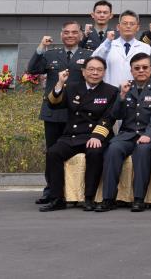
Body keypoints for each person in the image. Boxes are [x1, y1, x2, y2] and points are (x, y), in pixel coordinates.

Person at [38, 56, 119, 212]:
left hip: (95, 135)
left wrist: (97, 136)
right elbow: (54, 105)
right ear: (83, 72)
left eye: (99, 70)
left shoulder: (111, 91)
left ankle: (89, 198)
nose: (95, 73)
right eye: (91, 69)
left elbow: (109, 118)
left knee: (95, 153)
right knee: (53, 153)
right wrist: (60, 83)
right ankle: (57, 198)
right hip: (73, 135)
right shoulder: (72, 88)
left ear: (104, 73)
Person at [27, 22, 90, 205]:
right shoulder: (51, 54)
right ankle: (51, 190)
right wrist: (41, 47)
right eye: (66, 32)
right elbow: (32, 69)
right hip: (53, 112)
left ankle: (77, 190)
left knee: (78, 153)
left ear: (80, 35)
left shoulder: (88, 55)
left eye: (74, 32)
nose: (70, 35)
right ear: (61, 35)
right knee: (52, 152)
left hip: (77, 113)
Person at [98, 52, 151, 212]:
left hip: (148, 134)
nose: (141, 70)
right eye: (137, 68)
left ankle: (139, 198)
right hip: (127, 134)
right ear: (131, 70)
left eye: (144, 67)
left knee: (142, 151)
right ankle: (108, 198)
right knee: (112, 149)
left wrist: (148, 135)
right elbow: (116, 115)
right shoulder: (126, 87)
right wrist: (121, 96)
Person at [93, 10, 149, 87]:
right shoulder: (108, 45)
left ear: (137, 27)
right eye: (125, 23)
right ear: (118, 27)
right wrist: (108, 41)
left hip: (135, 93)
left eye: (132, 24)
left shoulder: (145, 47)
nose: (128, 26)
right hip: (111, 91)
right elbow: (94, 60)